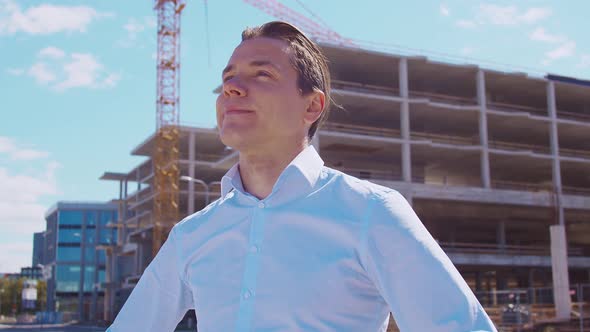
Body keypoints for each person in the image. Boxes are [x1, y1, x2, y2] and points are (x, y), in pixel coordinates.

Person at [107, 21, 497, 332]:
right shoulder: (191, 236)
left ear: (312, 105)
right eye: (228, 77)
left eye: (261, 74)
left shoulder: (371, 212)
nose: (232, 87)